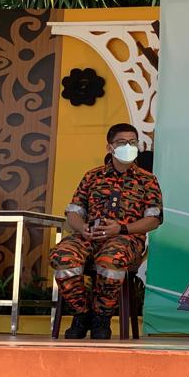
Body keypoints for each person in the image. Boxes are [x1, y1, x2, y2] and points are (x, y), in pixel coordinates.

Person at [50, 123, 163, 340]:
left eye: (133, 142)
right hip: (89, 236)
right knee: (62, 256)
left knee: (111, 259)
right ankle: (82, 314)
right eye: (122, 142)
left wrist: (121, 228)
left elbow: (154, 220)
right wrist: (82, 228)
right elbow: (73, 212)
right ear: (110, 147)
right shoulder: (92, 176)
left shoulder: (147, 180)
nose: (128, 146)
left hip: (126, 238)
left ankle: (102, 317)